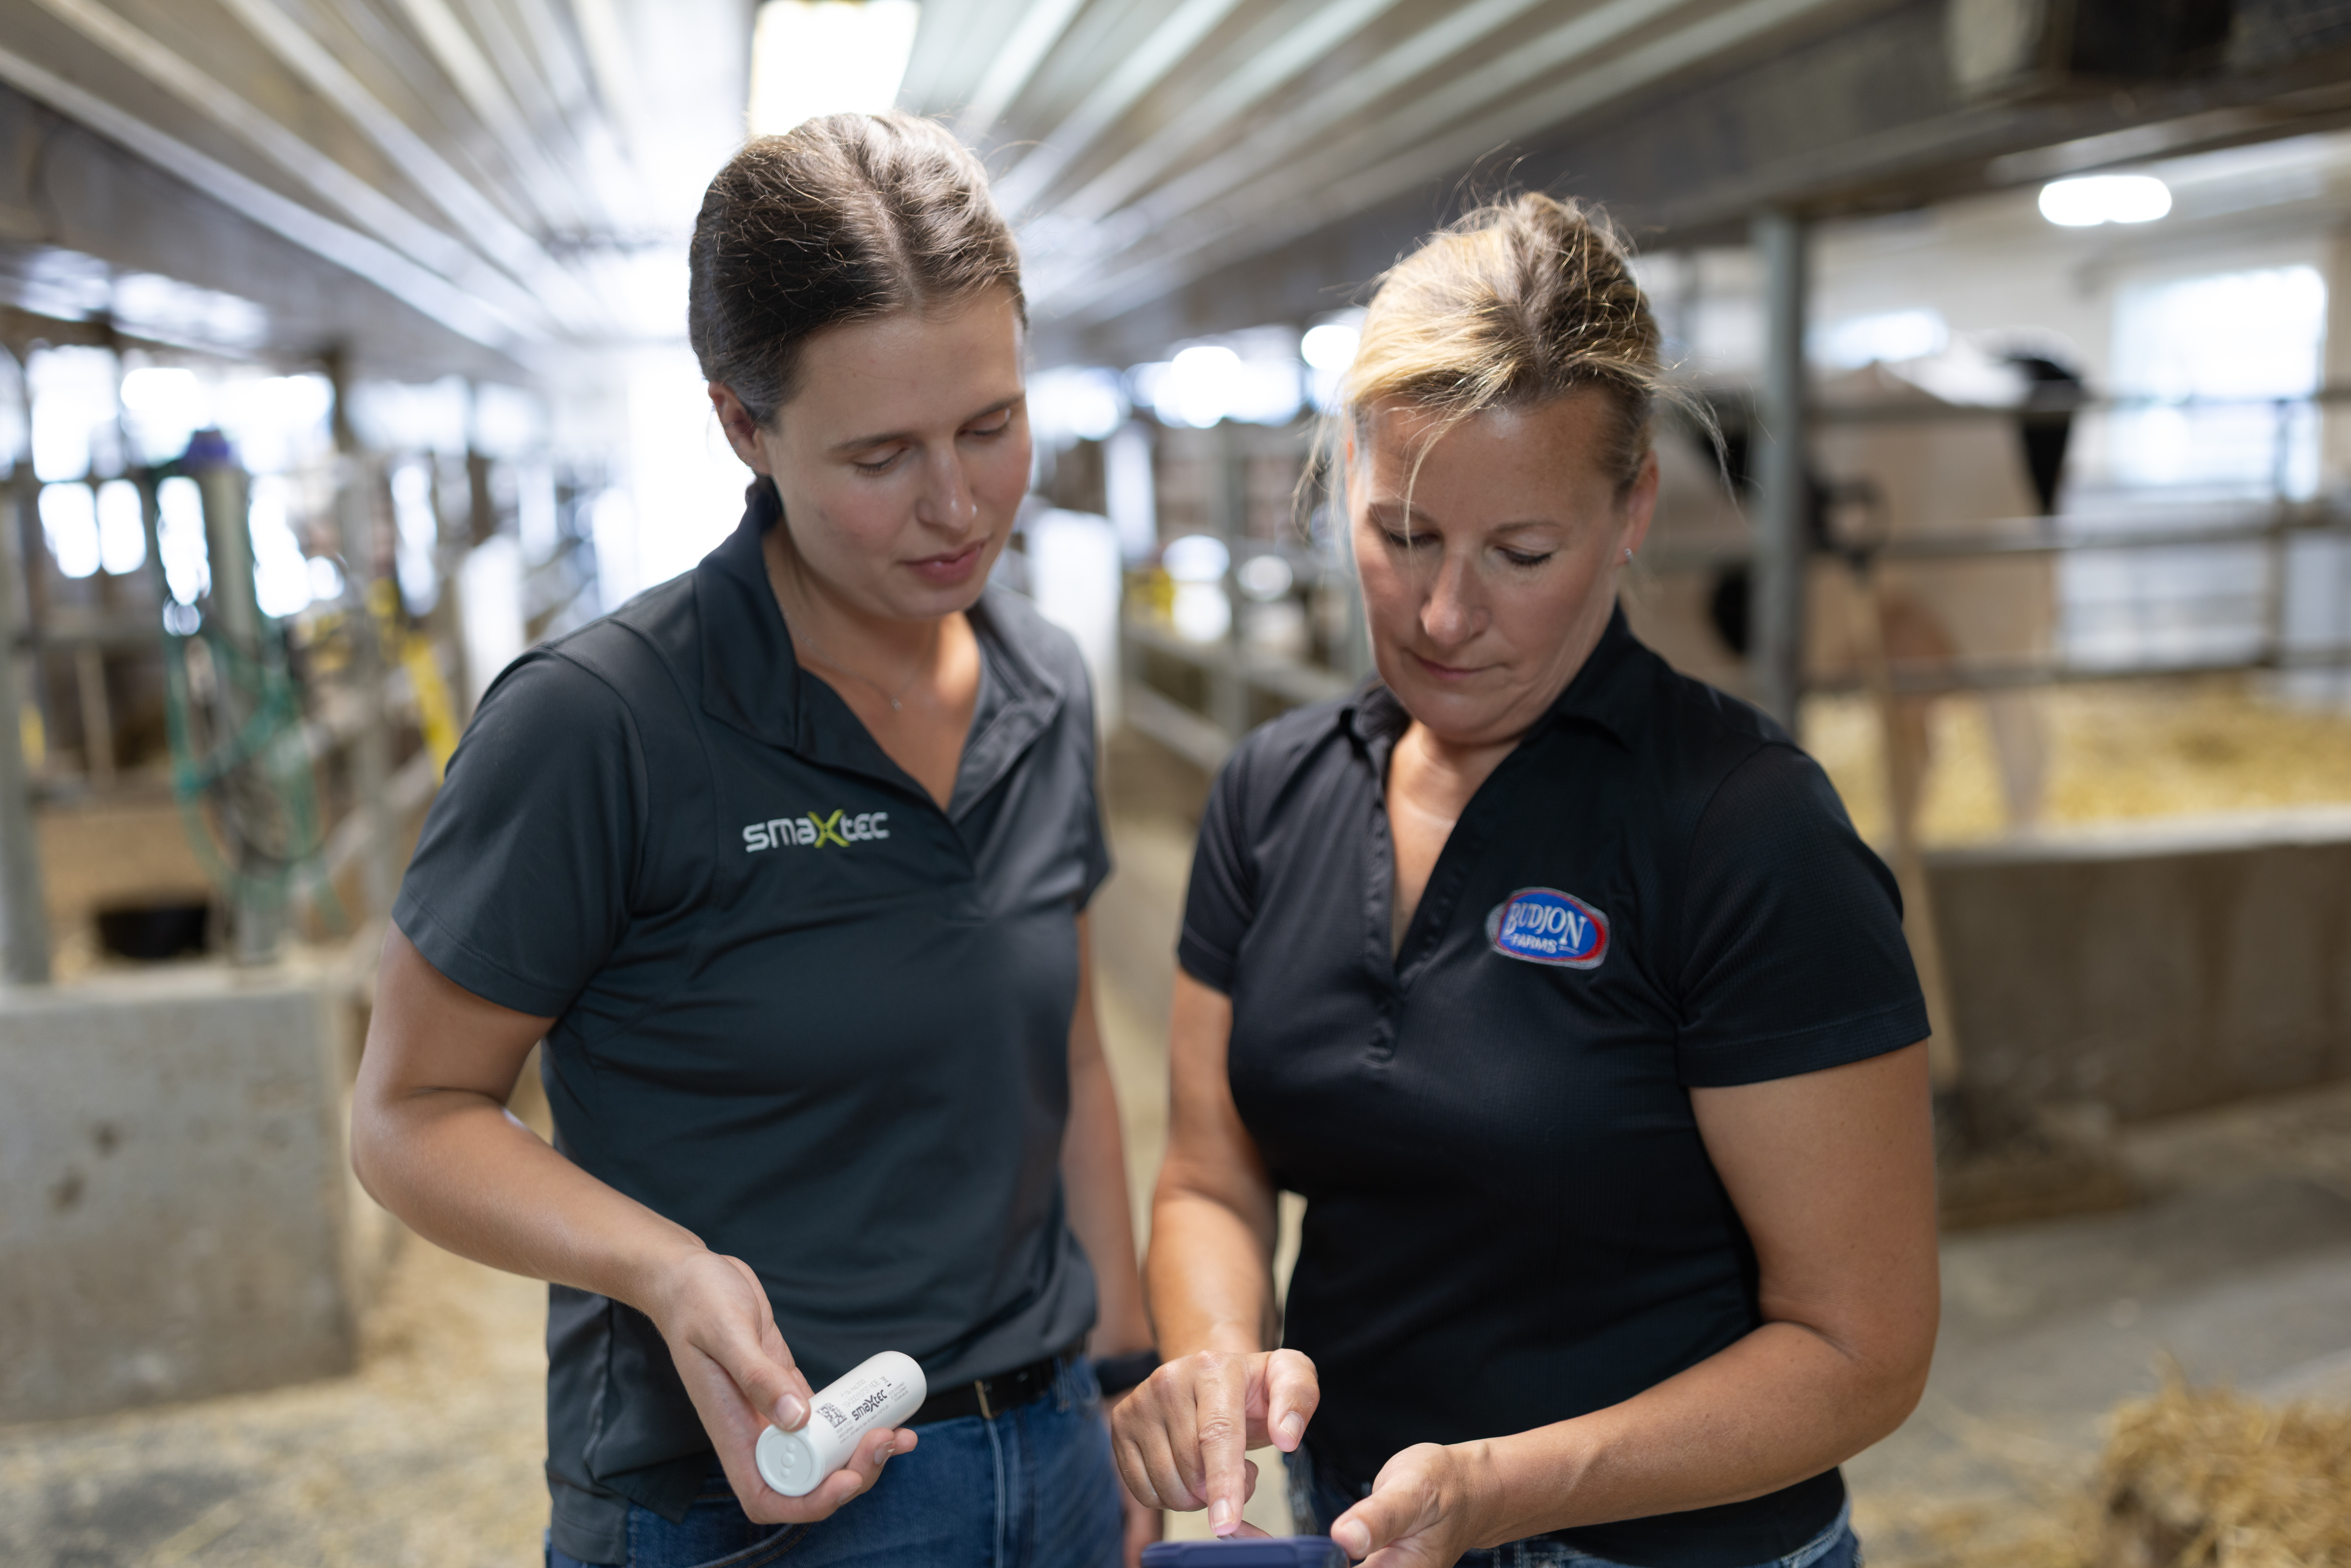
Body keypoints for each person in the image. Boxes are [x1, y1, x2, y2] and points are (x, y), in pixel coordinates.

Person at [352, 112, 1157, 1568]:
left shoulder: (1042, 684)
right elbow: (408, 1113)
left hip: (1049, 1459)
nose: (958, 502)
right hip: (751, 1500)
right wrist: (661, 1270)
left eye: (990, 423)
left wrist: (1120, 1376)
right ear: (742, 424)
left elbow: (1073, 1059)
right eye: (880, 454)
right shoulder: (604, 724)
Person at [1111, 194, 1941, 1568]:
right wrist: (1209, 1362)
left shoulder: (1739, 828)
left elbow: (1859, 1348)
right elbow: (1208, 1171)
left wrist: (1506, 1491)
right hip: (1362, 1530)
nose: (1443, 617)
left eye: (1520, 555)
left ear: (1632, 512)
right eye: (1402, 535)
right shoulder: (1270, 794)